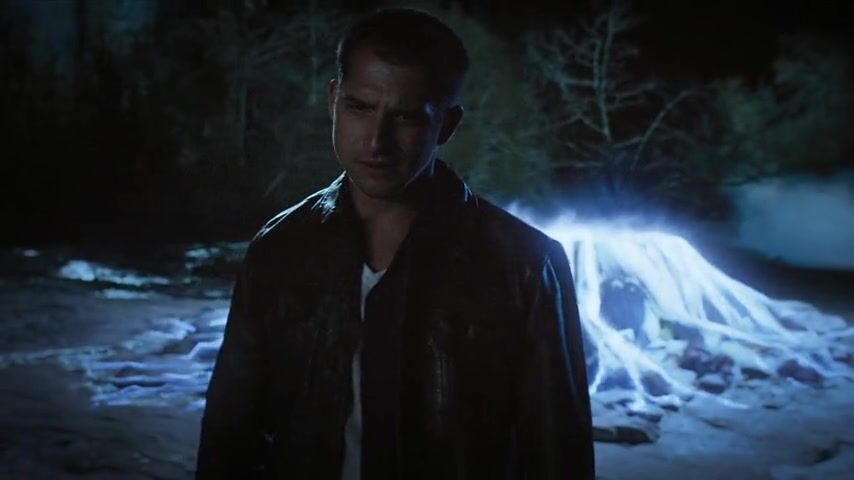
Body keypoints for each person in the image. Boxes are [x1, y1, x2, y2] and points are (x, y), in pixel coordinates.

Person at [195, 8, 594, 479]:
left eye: (405, 117)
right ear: (333, 100)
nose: (376, 141)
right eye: (360, 107)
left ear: (447, 125)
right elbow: (230, 437)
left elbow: (557, 455)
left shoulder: (526, 264)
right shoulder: (280, 249)